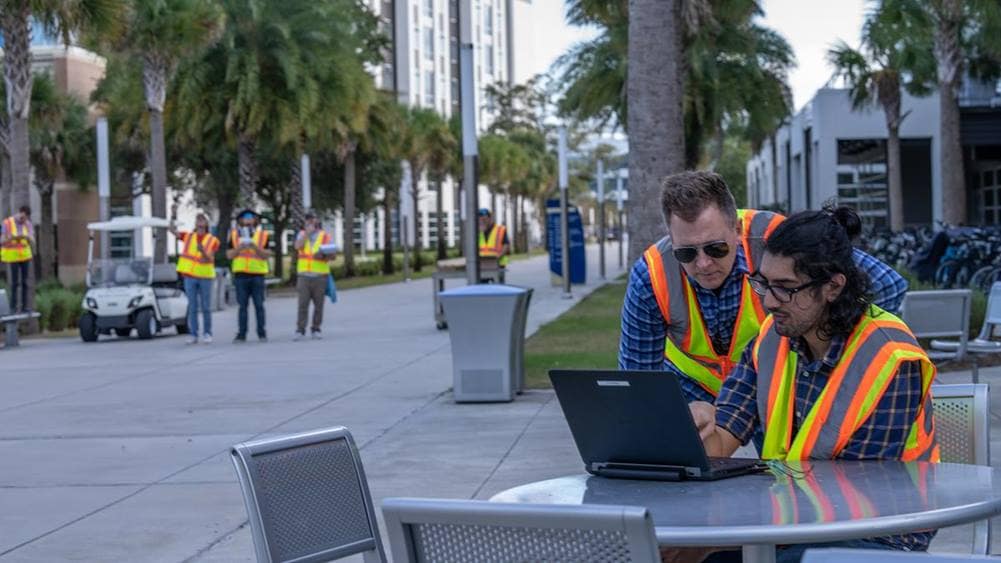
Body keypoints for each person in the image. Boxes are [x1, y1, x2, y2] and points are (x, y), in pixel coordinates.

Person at [687, 206, 937, 562]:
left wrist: (717, 542)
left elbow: (852, 496)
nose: (769, 301)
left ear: (833, 286)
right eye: (764, 284)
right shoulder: (771, 339)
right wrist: (697, 425)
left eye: (786, 288)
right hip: (797, 521)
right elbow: (723, 436)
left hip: (881, 534)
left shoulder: (891, 358)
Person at [619, 171, 909, 404]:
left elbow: (888, 285)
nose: (704, 263)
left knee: (793, 471)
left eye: (716, 248)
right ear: (671, 238)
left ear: (736, 229)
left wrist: (828, 359)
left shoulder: (780, 240)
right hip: (691, 390)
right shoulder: (651, 276)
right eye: (686, 253)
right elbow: (637, 383)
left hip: (773, 381)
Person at [172, 213, 220, 344]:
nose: (200, 221)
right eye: (197, 219)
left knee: (206, 307)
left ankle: (207, 333)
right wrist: (173, 214)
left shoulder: (212, 240)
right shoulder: (188, 236)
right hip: (190, 277)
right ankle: (193, 334)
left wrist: (203, 251)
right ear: (195, 223)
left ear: (206, 223)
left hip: (205, 276)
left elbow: (210, 258)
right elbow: (172, 230)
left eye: (202, 219)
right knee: (192, 307)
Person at [227, 209, 272, 343]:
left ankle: (261, 333)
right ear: (240, 221)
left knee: (259, 305)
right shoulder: (234, 235)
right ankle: (241, 334)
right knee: (242, 306)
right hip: (241, 275)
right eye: (245, 218)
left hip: (257, 275)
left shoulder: (263, 235)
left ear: (255, 221)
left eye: (250, 218)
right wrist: (239, 248)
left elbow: (266, 255)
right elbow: (229, 255)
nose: (247, 221)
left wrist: (254, 247)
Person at [293, 212, 334, 340]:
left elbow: (332, 256)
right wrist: (307, 234)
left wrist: (323, 256)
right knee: (302, 304)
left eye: (313, 219)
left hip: (320, 275)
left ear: (317, 221)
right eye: (308, 219)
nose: (310, 221)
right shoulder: (301, 234)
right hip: (304, 275)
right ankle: (300, 330)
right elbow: (297, 246)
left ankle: (316, 329)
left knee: (319, 304)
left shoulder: (325, 236)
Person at [1, 206, 34, 313]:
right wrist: (12, 238)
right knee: (15, 283)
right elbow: (2, 240)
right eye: (22, 218)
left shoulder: (28, 224)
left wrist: (27, 237)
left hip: (25, 256)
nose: (23, 220)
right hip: (13, 257)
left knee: (25, 282)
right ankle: (13, 307)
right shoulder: (7, 223)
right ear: (19, 213)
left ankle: (25, 307)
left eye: (25, 219)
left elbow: (32, 239)